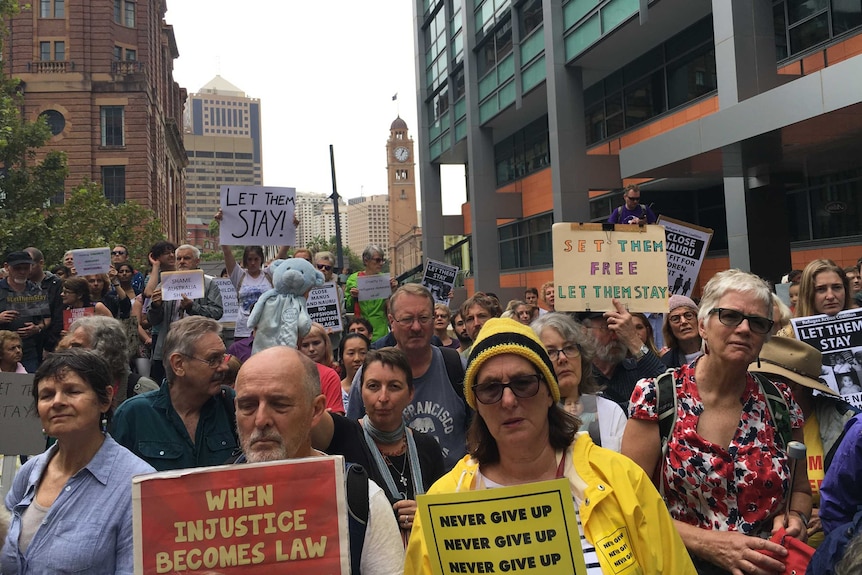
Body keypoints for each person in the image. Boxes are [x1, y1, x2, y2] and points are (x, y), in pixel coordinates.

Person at [403, 317, 696, 574]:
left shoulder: (621, 480)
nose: (508, 401)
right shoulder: (446, 501)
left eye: (523, 383)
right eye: (491, 388)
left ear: (548, 392)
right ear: (476, 404)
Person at [622, 269, 810, 574]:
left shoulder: (781, 402)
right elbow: (630, 504)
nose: (745, 329)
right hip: (682, 565)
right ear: (702, 326)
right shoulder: (657, 397)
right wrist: (707, 543)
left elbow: (800, 490)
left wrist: (796, 519)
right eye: (730, 316)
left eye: (758, 322)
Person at [233, 346, 404, 573]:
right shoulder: (207, 500)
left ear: (316, 410)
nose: (261, 419)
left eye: (279, 404)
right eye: (247, 406)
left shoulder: (362, 499)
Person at [0, 349, 155, 574]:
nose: (57, 402)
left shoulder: (139, 484)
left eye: (72, 391)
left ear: (105, 399)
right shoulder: (29, 472)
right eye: (46, 395)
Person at [313, 348, 445, 544]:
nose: (383, 397)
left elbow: (446, 517)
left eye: (394, 386)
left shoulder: (428, 447)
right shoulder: (343, 434)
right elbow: (308, 417)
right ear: (361, 390)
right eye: (373, 386)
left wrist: (427, 516)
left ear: (410, 394)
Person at [749, 337, 858, 547]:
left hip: (837, 553)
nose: (754, 387)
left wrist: (832, 516)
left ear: (794, 387)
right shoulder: (748, 423)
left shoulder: (847, 426)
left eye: (763, 380)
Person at [346, 284, 469, 469]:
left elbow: (480, 432)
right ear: (391, 322)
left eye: (424, 318)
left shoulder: (456, 366)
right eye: (407, 319)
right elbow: (352, 437)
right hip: (390, 492)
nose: (416, 327)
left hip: (452, 492)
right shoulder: (370, 373)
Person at [112, 316, 237, 471]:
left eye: (222, 358)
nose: (224, 367)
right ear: (178, 364)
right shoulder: (134, 415)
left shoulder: (231, 405)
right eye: (213, 359)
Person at [532, 313, 627, 451]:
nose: (563, 358)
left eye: (569, 348)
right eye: (551, 352)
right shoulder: (528, 417)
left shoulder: (610, 412)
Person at [147, 244, 223, 383]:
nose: (181, 261)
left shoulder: (209, 284)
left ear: (197, 261)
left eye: (186, 258)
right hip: (169, 346)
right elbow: (152, 321)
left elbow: (217, 312)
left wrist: (192, 307)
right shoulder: (165, 283)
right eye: (179, 258)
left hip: (198, 346)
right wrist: (156, 306)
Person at [579, 300, 665, 413]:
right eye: (607, 328)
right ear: (585, 331)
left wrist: (634, 340)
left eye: (621, 329)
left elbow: (668, 392)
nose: (616, 336)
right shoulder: (579, 376)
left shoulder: (638, 370)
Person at [63, 315, 159, 406]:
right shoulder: (66, 388)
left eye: (77, 347)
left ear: (104, 350)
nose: (70, 352)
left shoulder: (143, 390)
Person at [0, 251, 52, 372]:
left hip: (27, 351)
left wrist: (37, 328)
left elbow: (47, 319)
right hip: (2, 353)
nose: (22, 272)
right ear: (7, 267)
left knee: (27, 387)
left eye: (26, 268)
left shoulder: (36, 290)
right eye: (17, 268)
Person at [344, 244, 398, 341]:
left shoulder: (385, 280)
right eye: (377, 260)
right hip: (361, 331)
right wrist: (353, 297)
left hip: (381, 331)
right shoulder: (353, 279)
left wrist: (393, 292)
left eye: (382, 260)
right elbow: (349, 307)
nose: (381, 263)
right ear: (366, 261)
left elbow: (393, 308)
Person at [298, 322, 346, 414]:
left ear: (326, 344)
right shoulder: (291, 373)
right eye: (305, 345)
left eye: (316, 343)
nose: (311, 349)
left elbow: (336, 416)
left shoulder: (330, 375)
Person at [24, 247, 63, 357]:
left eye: (30, 265)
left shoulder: (56, 284)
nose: (26, 269)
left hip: (50, 342)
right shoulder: (20, 285)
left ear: (41, 263)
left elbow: (58, 316)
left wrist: (50, 345)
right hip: (27, 345)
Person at [314, 250, 345, 356]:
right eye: (320, 266)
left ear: (332, 271)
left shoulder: (338, 290)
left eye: (327, 268)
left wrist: (336, 326)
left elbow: (343, 315)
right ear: (314, 267)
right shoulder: (305, 289)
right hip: (311, 344)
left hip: (333, 344)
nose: (323, 269)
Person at [660, 295, 702, 368]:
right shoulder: (666, 363)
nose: (683, 321)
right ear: (669, 327)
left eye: (688, 315)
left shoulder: (718, 350)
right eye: (675, 319)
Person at [460, 291, 503, 357]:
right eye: (470, 319)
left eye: (482, 316)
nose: (476, 323)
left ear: (493, 318)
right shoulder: (462, 360)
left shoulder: (508, 351)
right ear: (465, 325)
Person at [339, 332, 370, 412]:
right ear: (342, 358)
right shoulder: (336, 390)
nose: (357, 359)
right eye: (351, 353)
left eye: (362, 353)